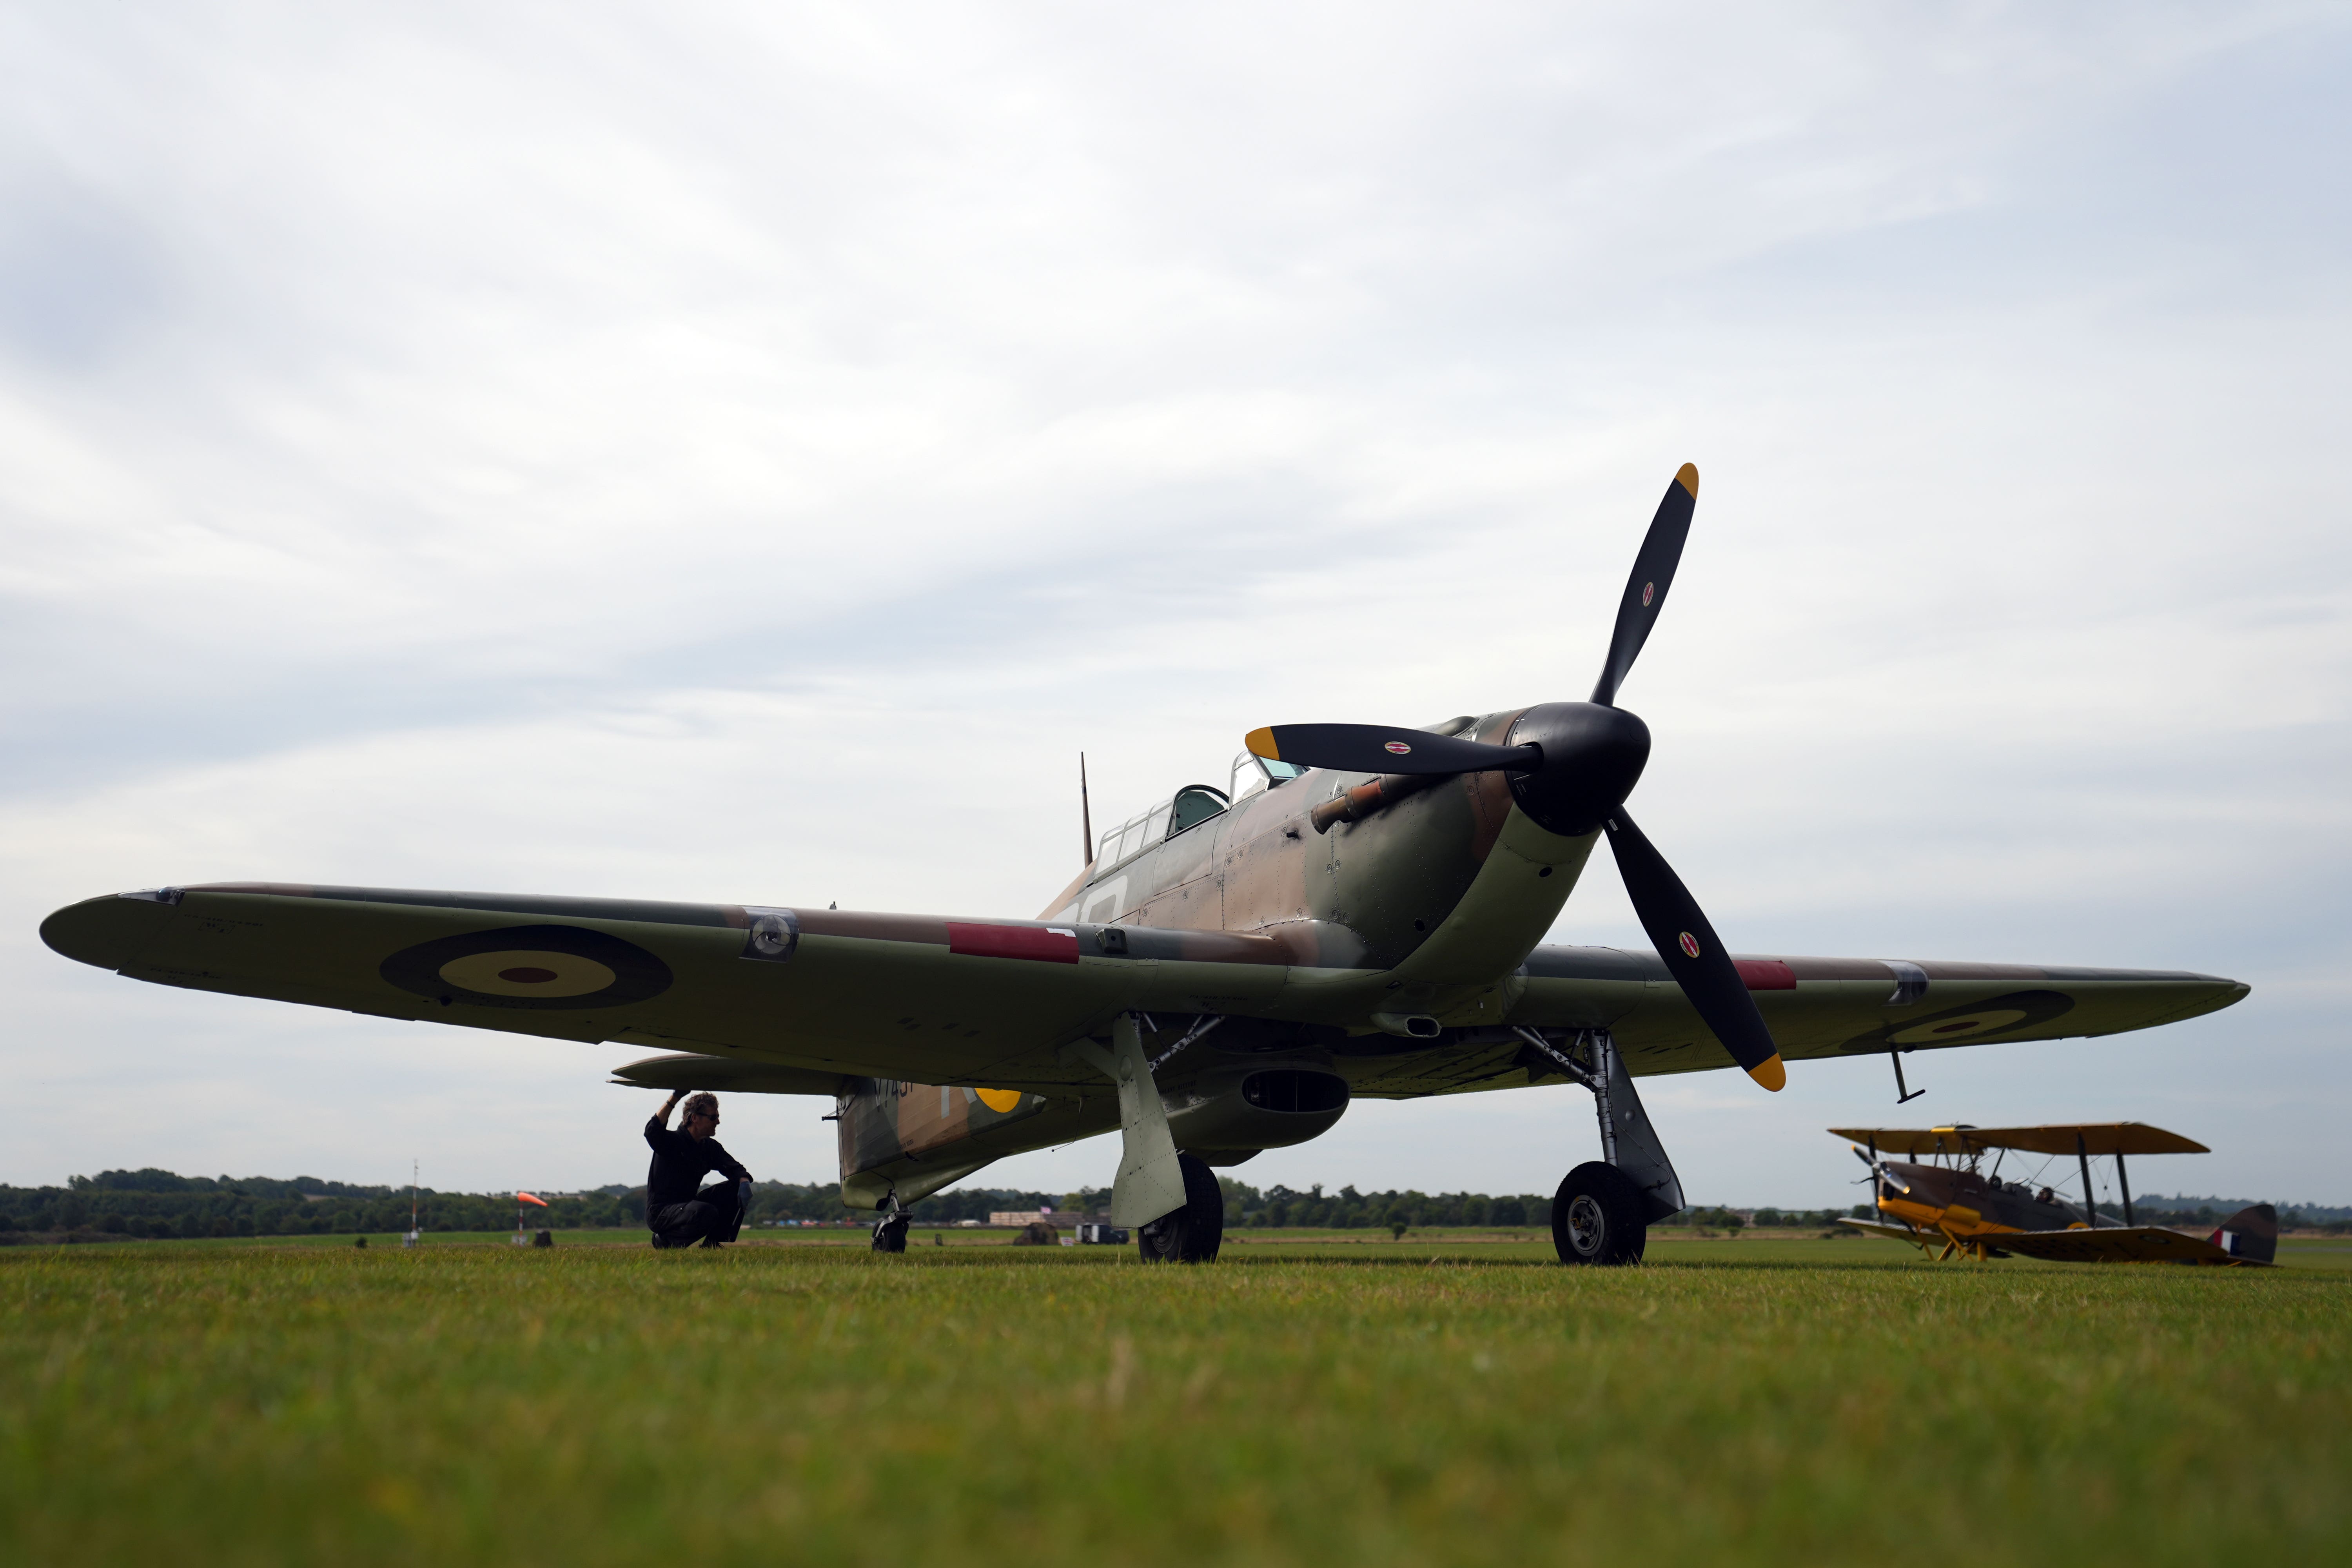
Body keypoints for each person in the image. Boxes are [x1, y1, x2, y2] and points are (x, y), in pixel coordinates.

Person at [644, 1090, 753, 1249]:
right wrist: (675, 1097)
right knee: (705, 1212)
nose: (718, 1122)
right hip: (661, 1212)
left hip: (688, 1205)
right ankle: (665, 1242)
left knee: (735, 1187)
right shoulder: (670, 1142)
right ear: (695, 1118)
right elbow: (652, 1131)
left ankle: (712, 1244)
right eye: (713, 1117)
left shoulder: (709, 1147)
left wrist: (744, 1181)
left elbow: (734, 1168)